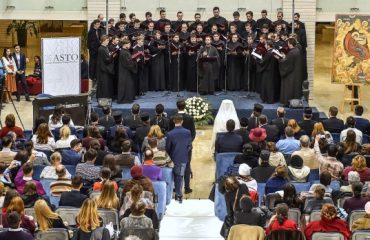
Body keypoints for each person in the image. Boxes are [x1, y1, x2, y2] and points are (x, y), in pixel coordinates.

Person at [166, 114, 192, 202]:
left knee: (174, 176)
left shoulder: (170, 134)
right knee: (179, 177)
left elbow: (167, 148)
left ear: (174, 121)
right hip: (182, 158)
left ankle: (175, 195)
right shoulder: (188, 132)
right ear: (182, 121)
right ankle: (178, 196)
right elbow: (189, 146)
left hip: (172, 158)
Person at [277, 38, 302, 105]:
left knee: (288, 88)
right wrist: (285, 57)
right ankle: (293, 102)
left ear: (290, 44)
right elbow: (290, 60)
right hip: (296, 72)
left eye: (288, 43)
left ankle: (286, 102)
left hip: (290, 74)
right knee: (293, 88)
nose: (287, 44)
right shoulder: (297, 50)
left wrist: (279, 58)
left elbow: (286, 64)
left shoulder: (291, 52)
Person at [118, 39, 138, 103]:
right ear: (125, 44)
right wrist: (135, 62)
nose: (130, 45)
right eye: (129, 44)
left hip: (126, 71)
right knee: (126, 85)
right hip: (125, 71)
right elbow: (128, 63)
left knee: (129, 84)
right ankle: (125, 99)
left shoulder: (126, 51)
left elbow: (129, 60)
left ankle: (129, 98)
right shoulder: (123, 52)